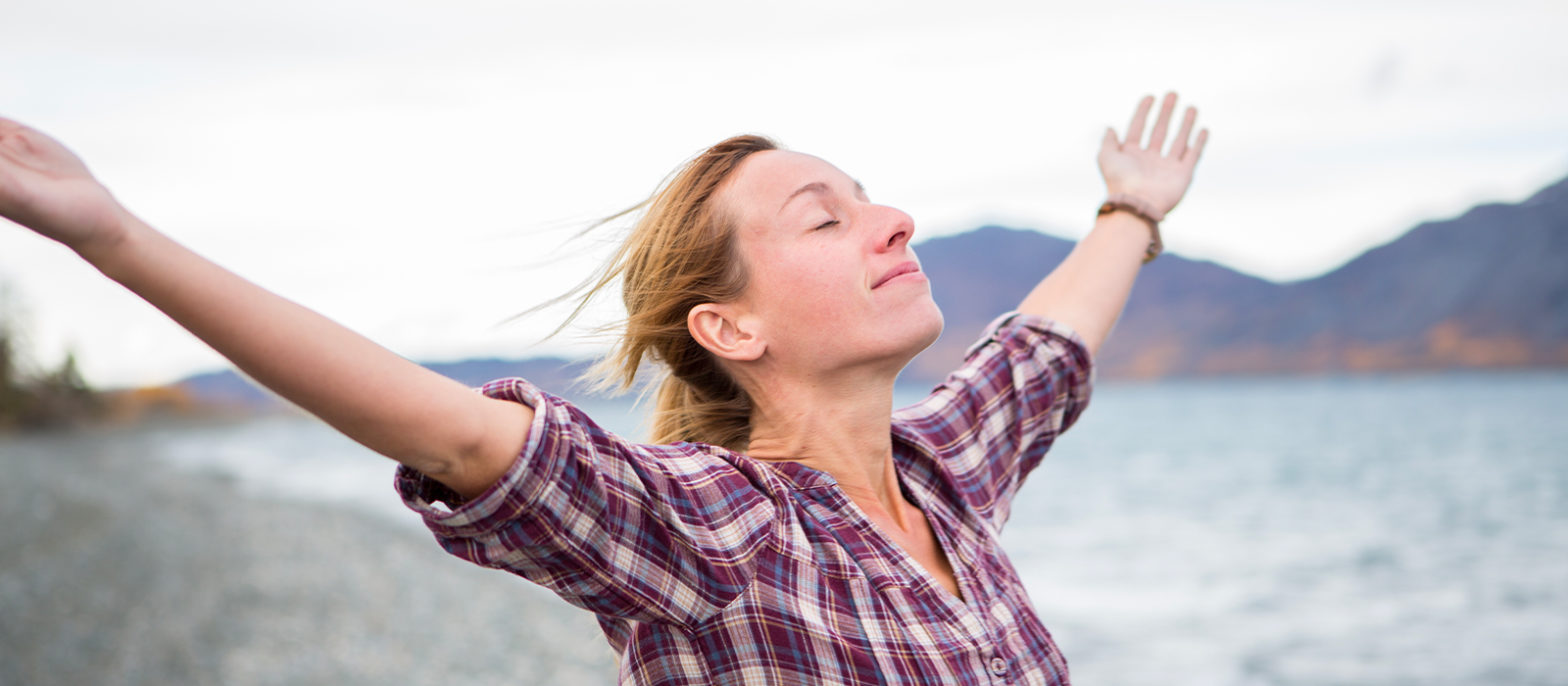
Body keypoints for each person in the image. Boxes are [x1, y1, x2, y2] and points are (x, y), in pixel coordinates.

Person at [0, 92, 1207, 685]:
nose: (892, 220)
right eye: (824, 216)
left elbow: (1041, 351)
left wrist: (1128, 211)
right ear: (727, 323)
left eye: (872, 197)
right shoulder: (714, 532)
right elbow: (459, 432)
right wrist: (113, 234)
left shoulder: (945, 473)